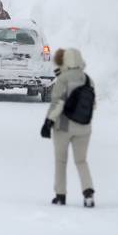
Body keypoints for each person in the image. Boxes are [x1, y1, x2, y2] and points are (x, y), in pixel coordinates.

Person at [40, 48, 95, 208]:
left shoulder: (63, 79)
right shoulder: (88, 79)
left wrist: (48, 122)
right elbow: (94, 104)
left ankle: (60, 195)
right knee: (81, 161)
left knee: (61, 161)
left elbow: (57, 103)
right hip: (84, 127)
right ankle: (88, 192)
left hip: (63, 126)